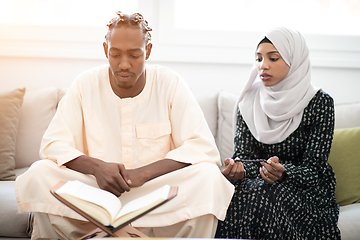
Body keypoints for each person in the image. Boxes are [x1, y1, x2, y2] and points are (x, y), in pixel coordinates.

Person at [16, 11, 234, 240]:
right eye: (115, 54)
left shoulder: (170, 83)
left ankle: (108, 234)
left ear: (148, 51)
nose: (124, 64)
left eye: (134, 55)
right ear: (105, 50)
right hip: (95, 194)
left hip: (155, 194)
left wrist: (143, 173)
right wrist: (97, 168)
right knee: (40, 172)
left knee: (208, 176)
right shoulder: (85, 84)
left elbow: (202, 147)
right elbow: (53, 145)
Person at [215, 27, 341, 239]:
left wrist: (284, 173)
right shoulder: (249, 102)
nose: (262, 65)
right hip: (257, 183)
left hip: (304, 188)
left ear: (295, 60)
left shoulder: (320, 103)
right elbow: (245, 157)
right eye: (258, 58)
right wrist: (238, 168)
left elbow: (315, 169)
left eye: (273, 58)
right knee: (242, 194)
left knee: (269, 194)